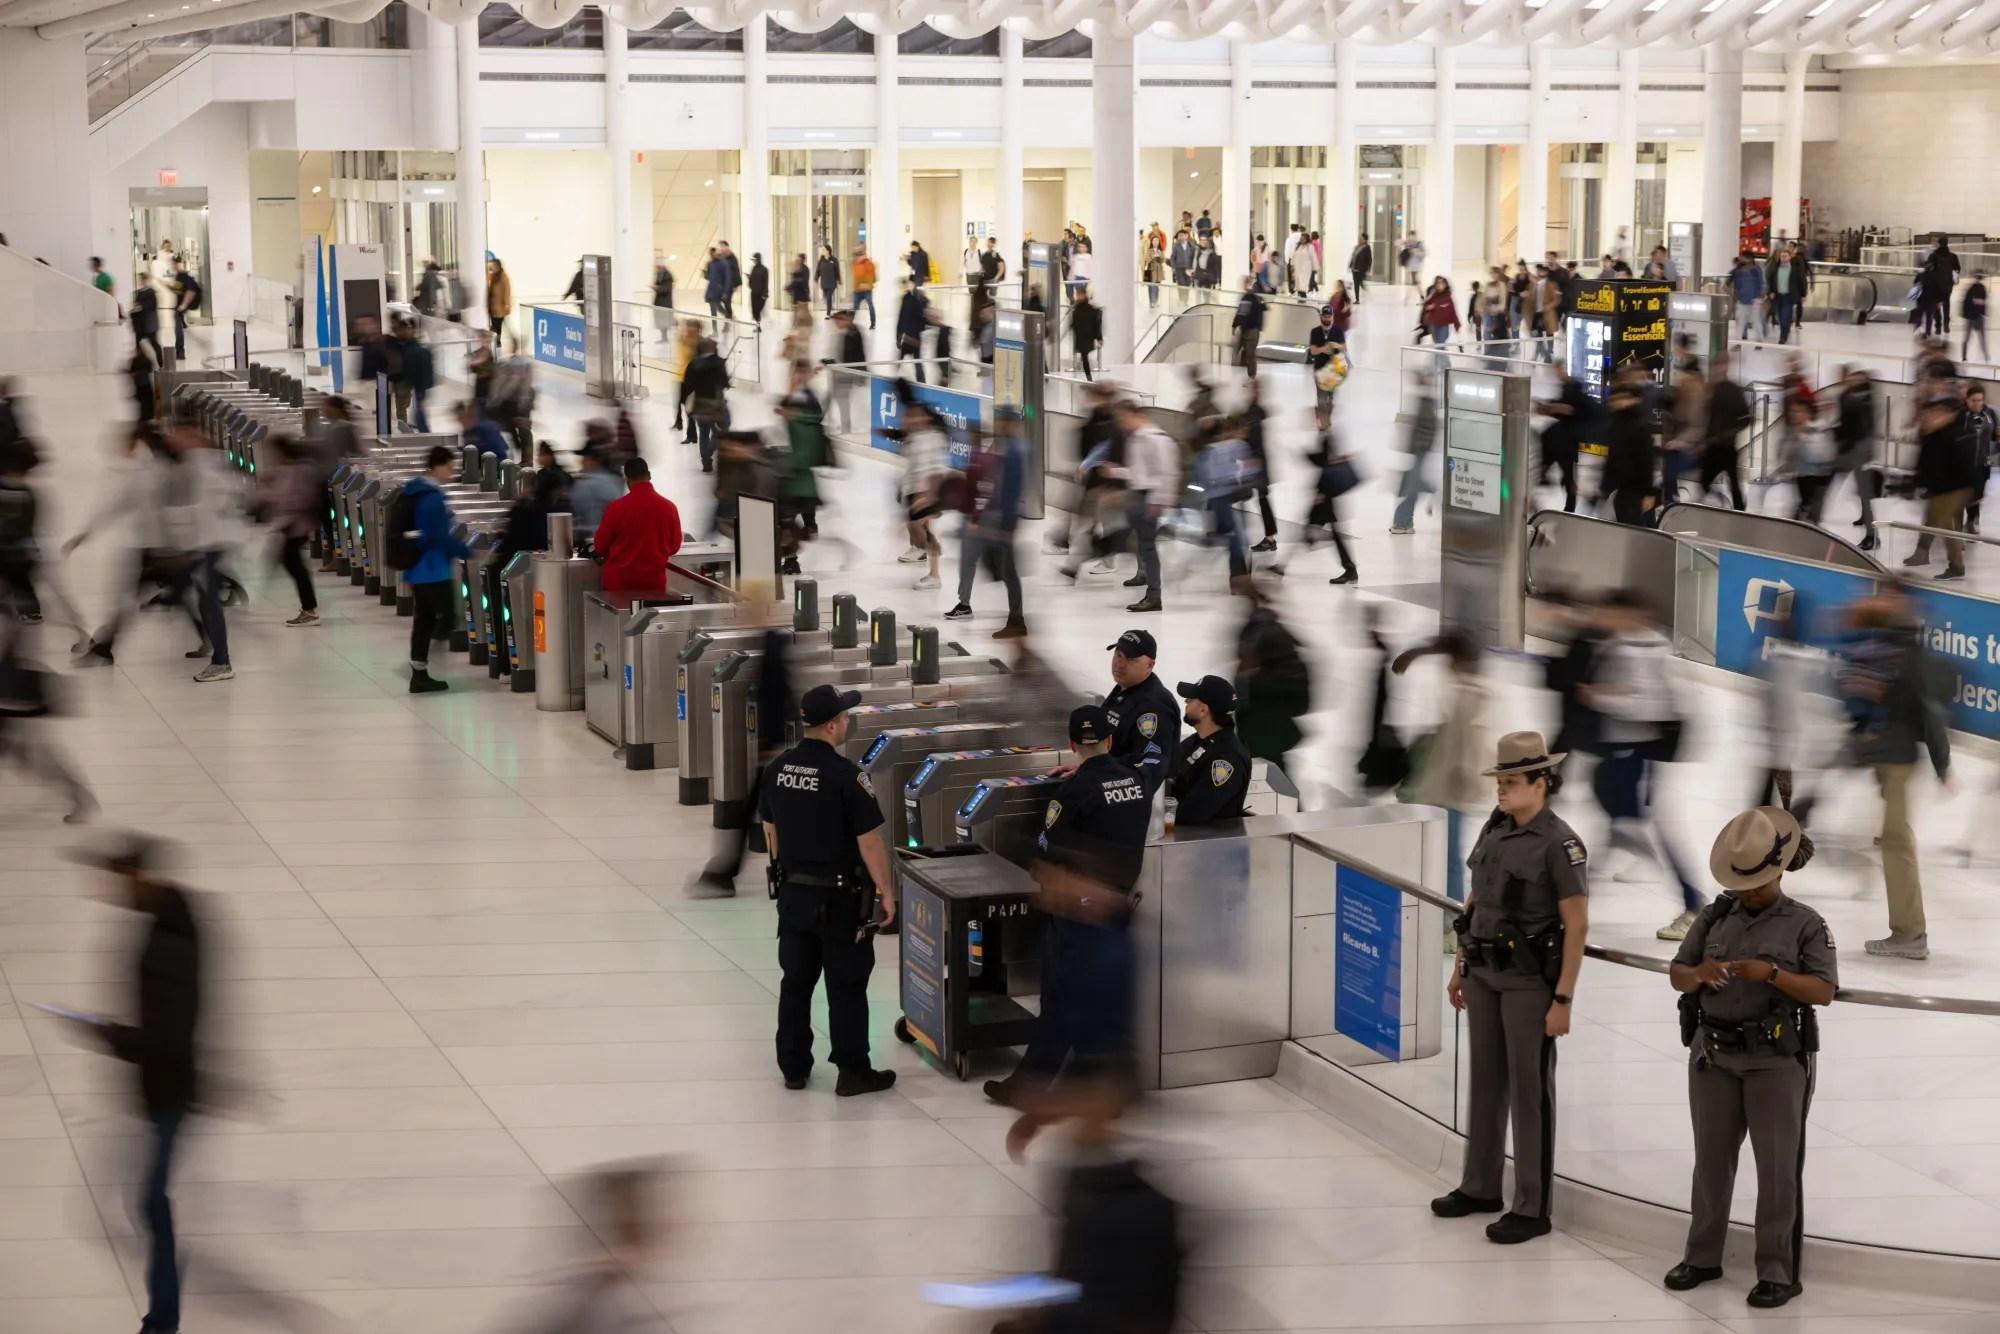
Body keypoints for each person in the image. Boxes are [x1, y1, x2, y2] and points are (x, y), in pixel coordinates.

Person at [1664, 805, 1835, 1310]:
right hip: (1713, 1056)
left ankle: (1777, 1271)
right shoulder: (1716, 915)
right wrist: (1701, 973)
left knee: (1777, 1169)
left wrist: (1772, 975)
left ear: (1779, 870)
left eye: (1758, 880)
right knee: (1710, 1165)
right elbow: (1677, 971)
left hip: (1776, 1062)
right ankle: (1702, 1257)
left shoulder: (1806, 924)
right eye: (1742, 882)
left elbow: (1823, 990)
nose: (1749, 890)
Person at [1430, 731, 1589, 1245]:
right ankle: (1479, 1186)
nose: (1501, 789)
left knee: (1529, 1093)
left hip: (1528, 983)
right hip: (1484, 974)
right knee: (1485, 1084)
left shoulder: (1560, 844)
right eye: (1499, 780)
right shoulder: (1495, 829)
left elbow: (1577, 925)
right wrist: (1461, 967)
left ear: (1541, 783)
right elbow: (1477, 899)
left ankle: (1532, 1206)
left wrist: (1562, 998)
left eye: (1511, 781)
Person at [984, 705, 1151, 1107]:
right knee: (1096, 1004)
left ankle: (1066, 1089)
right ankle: (1036, 1083)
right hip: (1118, 906)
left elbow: (1048, 847)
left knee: (1061, 1001)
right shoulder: (1137, 780)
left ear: (1072, 744)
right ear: (1110, 740)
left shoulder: (1073, 792)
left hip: (1077, 909)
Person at [69, 836, 203, 1334]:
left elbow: (163, 1035)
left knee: (150, 1200)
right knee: (150, 1198)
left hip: (170, 1088)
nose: (112, 889)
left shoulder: (166, 942)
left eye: (118, 878)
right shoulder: (180, 920)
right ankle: (163, 1315)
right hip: (172, 1084)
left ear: (139, 876)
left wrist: (109, 1036)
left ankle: (163, 1319)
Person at [760, 683, 899, 1096]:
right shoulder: (846, 776)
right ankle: (853, 1070)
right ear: (833, 726)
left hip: (794, 896)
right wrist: (886, 892)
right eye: (846, 717)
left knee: (796, 983)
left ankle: (794, 1066)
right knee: (846, 985)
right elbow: (869, 842)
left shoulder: (777, 769)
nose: (849, 722)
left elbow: (770, 830)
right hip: (840, 901)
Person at [1839, 585, 1949, 960]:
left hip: (1899, 759)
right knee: (1895, 842)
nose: (1879, 599)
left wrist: (1942, 764)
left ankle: (1909, 934)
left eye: (1888, 595)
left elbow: (1928, 709)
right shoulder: (1886, 643)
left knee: (1897, 844)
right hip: (1887, 757)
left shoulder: (1906, 650)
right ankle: (1908, 931)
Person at [1395, 629, 1489, 902]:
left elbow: (1460, 754)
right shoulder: (1465, 693)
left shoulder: (1465, 696)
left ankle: (1452, 917)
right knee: (1446, 857)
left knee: (1448, 859)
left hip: (1449, 792)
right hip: (1448, 791)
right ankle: (1449, 914)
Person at [943, 416, 1029, 637]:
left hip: (988, 517)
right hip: (996, 517)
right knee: (998, 568)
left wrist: (974, 519)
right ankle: (1012, 616)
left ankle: (968, 605)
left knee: (976, 562)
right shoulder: (996, 455)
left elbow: (985, 491)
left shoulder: (989, 458)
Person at [398, 444, 471, 693]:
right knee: (448, 616)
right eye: (450, 466)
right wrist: (469, 552)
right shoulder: (431, 498)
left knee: (424, 620)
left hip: (418, 567)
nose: (451, 471)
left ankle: (420, 673)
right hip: (434, 568)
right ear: (438, 466)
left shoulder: (414, 490)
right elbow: (440, 537)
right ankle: (433, 661)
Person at [1904, 370, 1978, 579]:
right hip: (1943, 487)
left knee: (1939, 523)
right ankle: (1953, 564)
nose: (1930, 418)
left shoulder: (1954, 434)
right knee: (1942, 523)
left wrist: (1976, 488)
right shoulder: (1936, 434)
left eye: (1936, 413)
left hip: (1955, 487)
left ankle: (1939, 559)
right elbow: (1925, 463)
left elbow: (1964, 463)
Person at [1276, 401, 1359, 584]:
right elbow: (1323, 462)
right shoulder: (1326, 435)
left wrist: (1319, 492)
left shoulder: (1329, 436)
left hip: (1325, 493)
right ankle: (1283, 565)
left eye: (1318, 416)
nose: (1315, 420)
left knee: (1321, 531)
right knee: (1320, 530)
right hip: (1325, 492)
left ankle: (1283, 565)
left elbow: (1325, 465)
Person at [1114, 400, 1176, 614]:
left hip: (1149, 498)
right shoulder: (1136, 439)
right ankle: (1151, 590)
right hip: (1138, 497)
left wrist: (1159, 501)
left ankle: (1154, 595)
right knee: (1141, 544)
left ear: (1133, 415)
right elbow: (1137, 472)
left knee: (1148, 547)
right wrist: (1116, 473)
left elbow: (1166, 472)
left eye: (1123, 418)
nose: (1121, 423)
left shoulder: (1155, 439)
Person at [1166, 675, 1252, 826]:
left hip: (1205, 844)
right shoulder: (1197, 741)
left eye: (1191, 700)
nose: (1186, 702)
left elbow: (1190, 813)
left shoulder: (1227, 759)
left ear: (1203, 710)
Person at [591, 456, 683, 596]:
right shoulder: (669, 508)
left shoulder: (616, 508)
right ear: (649, 475)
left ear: (627, 480)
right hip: (653, 584)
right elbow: (674, 546)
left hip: (619, 585)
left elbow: (601, 546)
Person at [261, 434, 321, 626]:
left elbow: (303, 497)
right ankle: (308, 607)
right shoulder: (286, 469)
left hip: (298, 523)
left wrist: (275, 497)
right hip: (288, 523)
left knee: (294, 564)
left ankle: (309, 609)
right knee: (292, 564)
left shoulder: (302, 470)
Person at [898, 397, 946, 590]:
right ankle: (921, 552)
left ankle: (934, 575)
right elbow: (911, 467)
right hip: (913, 490)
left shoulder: (932, 438)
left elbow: (933, 468)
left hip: (925, 492)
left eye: (914, 416)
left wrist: (928, 495)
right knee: (919, 528)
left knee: (922, 529)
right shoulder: (914, 438)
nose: (909, 420)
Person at [1700, 350, 1751, 511]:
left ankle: (1739, 511)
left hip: (1726, 446)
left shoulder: (1731, 390)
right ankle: (1732, 507)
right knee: (1706, 480)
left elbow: (1746, 417)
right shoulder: (1712, 389)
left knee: (1733, 484)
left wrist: (1728, 433)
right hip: (1714, 445)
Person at [1602, 381, 1658, 525]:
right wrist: (1604, 487)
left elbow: (1647, 460)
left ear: (1635, 399)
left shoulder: (1639, 425)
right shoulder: (1617, 424)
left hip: (1636, 491)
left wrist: (1649, 493)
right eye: (1614, 399)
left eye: (1622, 398)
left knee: (1639, 532)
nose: (1617, 402)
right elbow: (1613, 458)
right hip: (1624, 489)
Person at [568, 444, 624, 548]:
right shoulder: (615, 481)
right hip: (615, 540)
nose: (581, 462)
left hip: (592, 542)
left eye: (584, 459)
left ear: (592, 461)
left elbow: (576, 511)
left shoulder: (584, 484)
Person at [1960, 382, 1999, 533]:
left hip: (1983, 461)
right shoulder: (1961, 415)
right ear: (1967, 400)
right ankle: (1960, 524)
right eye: (1974, 401)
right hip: (1964, 462)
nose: (1977, 404)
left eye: (1980, 400)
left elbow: (1997, 433)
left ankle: (1973, 520)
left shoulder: (1990, 413)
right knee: (1964, 494)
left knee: (1978, 494)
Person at [1765, 243, 1810, 344]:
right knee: (1781, 317)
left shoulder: (1795, 270)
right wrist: (1771, 292)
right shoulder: (1776, 269)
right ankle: (1785, 329)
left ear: (1789, 257)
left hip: (1789, 296)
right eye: (1782, 256)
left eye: (1786, 256)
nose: (1783, 258)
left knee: (1785, 315)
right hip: (1778, 296)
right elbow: (1771, 281)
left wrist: (1803, 294)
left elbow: (1802, 281)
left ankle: (1783, 336)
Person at [895, 280, 930, 383]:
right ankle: (922, 382)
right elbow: (923, 318)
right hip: (915, 337)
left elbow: (902, 319)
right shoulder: (920, 301)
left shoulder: (908, 301)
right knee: (917, 362)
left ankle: (893, 378)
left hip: (908, 337)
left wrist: (898, 336)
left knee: (901, 359)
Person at [1231, 277, 1265, 378]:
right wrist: (1234, 325)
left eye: (1245, 283)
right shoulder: (1244, 298)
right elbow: (1240, 312)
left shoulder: (1256, 298)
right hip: (1244, 329)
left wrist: (1258, 327)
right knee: (1237, 350)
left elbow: (1261, 310)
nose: (1244, 286)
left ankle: (1252, 375)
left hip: (1252, 329)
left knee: (1250, 354)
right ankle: (1242, 372)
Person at [169, 258, 202, 361]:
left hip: (180, 308)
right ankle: (179, 351)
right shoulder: (178, 276)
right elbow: (179, 290)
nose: (173, 266)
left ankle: (180, 352)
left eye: (174, 264)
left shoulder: (186, 277)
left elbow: (190, 292)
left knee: (178, 330)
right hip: (177, 307)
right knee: (177, 329)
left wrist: (184, 305)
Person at [1419, 275, 1460, 349]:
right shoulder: (1432, 296)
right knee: (1437, 343)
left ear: (1445, 285)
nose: (1439, 284)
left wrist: (1457, 324)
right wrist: (1429, 307)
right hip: (1433, 324)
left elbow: (1453, 311)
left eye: (1441, 283)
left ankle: (1441, 357)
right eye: (1437, 283)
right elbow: (1425, 306)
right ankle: (1442, 358)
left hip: (1444, 325)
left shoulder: (1448, 298)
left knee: (1440, 344)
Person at [130, 272, 162, 366]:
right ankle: (142, 365)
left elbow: (152, 305)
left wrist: (141, 307)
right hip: (140, 323)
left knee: (154, 343)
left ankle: (161, 363)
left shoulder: (151, 292)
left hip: (149, 323)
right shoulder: (138, 293)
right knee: (138, 345)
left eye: (144, 279)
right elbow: (136, 305)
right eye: (141, 279)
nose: (142, 281)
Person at [1071, 287, 1102, 380]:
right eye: (1077, 295)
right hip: (1080, 337)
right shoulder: (1077, 308)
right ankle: (1088, 377)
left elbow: (1096, 324)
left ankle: (1089, 378)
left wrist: (1099, 337)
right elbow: (1074, 323)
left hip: (1087, 336)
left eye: (1080, 294)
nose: (1078, 296)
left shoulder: (1090, 309)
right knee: (1084, 356)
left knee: (1084, 356)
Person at [486, 256, 513, 341]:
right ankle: (496, 340)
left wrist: (506, 303)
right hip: (493, 306)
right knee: (495, 324)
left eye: (494, 266)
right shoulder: (494, 276)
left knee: (498, 324)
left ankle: (497, 341)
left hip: (499, 306)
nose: (492, 268)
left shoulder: (503, 277)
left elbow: (506, 291)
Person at [851, 247, 877, 329]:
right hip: (859, 290)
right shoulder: (856, 264)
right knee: (856, 307)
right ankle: (851, 322)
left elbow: (873, 277)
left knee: (868, 305)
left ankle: (873, 323)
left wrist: (866, 284)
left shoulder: (868, 264)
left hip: (865, 290)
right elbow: (857, 277)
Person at [1348, 234, 1372, 301]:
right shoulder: (1356, 247)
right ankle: (1357, 299)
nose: (1359, 240)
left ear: (1365, 240)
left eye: (1361, 239)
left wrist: (1368, 268)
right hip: (1354, 268)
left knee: (1358, 282)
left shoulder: (1366, 248)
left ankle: (1362, 294)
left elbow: (1369, 259)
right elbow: (1353, 257)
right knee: (1356, 283)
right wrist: (1350, 265)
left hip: (1361, 268)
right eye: (1359, 238)